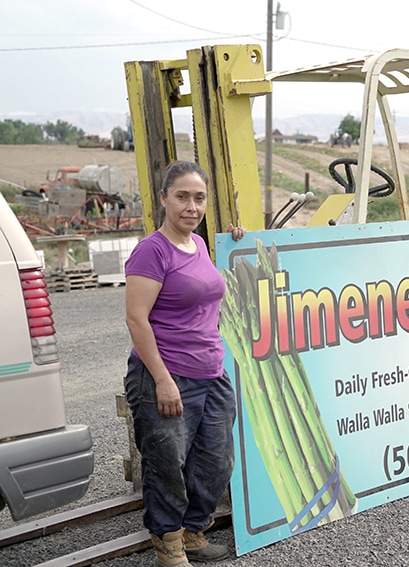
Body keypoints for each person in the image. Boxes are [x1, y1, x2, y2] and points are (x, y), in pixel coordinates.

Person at [123, 160, 246, 566]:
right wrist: (161, 380)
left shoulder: (200, 244)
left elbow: (205, 288)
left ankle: (194, 532)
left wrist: (235, 239)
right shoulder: (151, 252)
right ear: (163, 199)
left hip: (211, 372)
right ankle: (169, 545)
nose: (191, 206)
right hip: (166, 373)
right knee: (166, 466)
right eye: (181, 197)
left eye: (199, 198)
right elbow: (136, 319)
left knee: (216, 461)